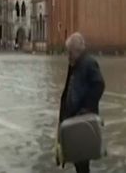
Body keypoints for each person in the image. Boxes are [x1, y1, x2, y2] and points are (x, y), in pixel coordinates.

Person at [57, 32, 105, 173]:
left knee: (82, 161)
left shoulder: (89, 63)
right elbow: (68, 90)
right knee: (77, 159)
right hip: (73, 120)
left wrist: (87, 109)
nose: (68, 55)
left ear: (77, 51)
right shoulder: (74, 64)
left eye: (69, 52)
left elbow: (99, 84)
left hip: (82, 121)